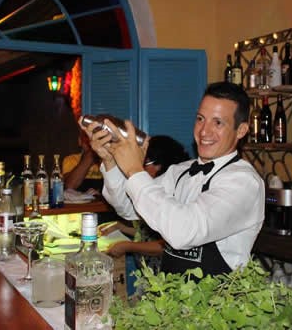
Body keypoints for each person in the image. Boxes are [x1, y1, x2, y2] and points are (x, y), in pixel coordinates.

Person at [81, 81, 265, 277]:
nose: (204, 131)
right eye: (201, 119)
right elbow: (128, 206)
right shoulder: (180, 171)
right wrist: (110, 161)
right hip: (171, 300)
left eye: (217, 122)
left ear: (242, 130)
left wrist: (135, 169)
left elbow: (183, 232)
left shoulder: (244, 182)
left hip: (216, 303)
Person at [100, 135, 190, 273]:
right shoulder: (154, 189)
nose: (140, 169)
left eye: (143, 164)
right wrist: (121, 227)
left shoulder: (174, 193)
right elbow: (148, 232)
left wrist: (129, 246)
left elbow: (166, 245)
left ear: (158, 164)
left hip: (164, 275)